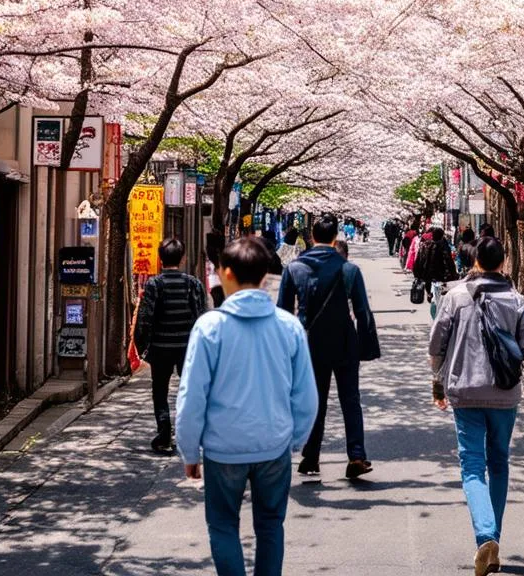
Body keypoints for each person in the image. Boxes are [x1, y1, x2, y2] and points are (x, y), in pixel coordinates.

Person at [176, 237, 318, 576]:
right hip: (273, 445)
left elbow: (192, 396)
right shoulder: (288, 326)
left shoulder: (210, 328)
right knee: (271, 525)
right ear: (265, 276)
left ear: (225, 274)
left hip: (223, 449)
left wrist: (189, 451)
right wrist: (294, 440)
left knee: (223, 525)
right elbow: (306, 396)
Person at [429, 236, 524, 576]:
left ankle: (484, 536)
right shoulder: (517, 301)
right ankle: (494, 541)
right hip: (505, 394)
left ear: (475, 261)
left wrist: (438, 382)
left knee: (472, 465)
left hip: (465, 390)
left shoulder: (456, 296)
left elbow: (436, 345)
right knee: (499, 462)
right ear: (503, 263)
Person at [277, 213, 380, 481]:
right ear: (336, 237)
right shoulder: (349, 270)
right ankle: (356, 455)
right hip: (345, 341)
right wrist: (366, 347)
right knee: (350, 400)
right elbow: (363, 312)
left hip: (309, 344)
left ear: (312, 236)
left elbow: (283, 314)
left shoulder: (294, 269)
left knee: (315, 401)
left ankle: (311, 457)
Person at [134, 238, 208, 453]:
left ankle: (164, 434)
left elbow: (145, 319)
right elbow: (202, 315)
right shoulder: (193, 283)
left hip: (160, 348)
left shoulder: (154, 285)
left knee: (160, 391)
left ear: (160, 258)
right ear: (182, 258)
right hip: (188, 348)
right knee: (189, 391)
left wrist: (143, 348)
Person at [413, 226, 458, 302]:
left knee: (432, 293)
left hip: (427, 275)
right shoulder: (443, 247)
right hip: (440, 275)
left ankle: (430, 296)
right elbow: (448, 261)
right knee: (440, 297)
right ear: (442, 236)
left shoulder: (424, 245)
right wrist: (453, 275)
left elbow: (419, 260)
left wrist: (417, 273)